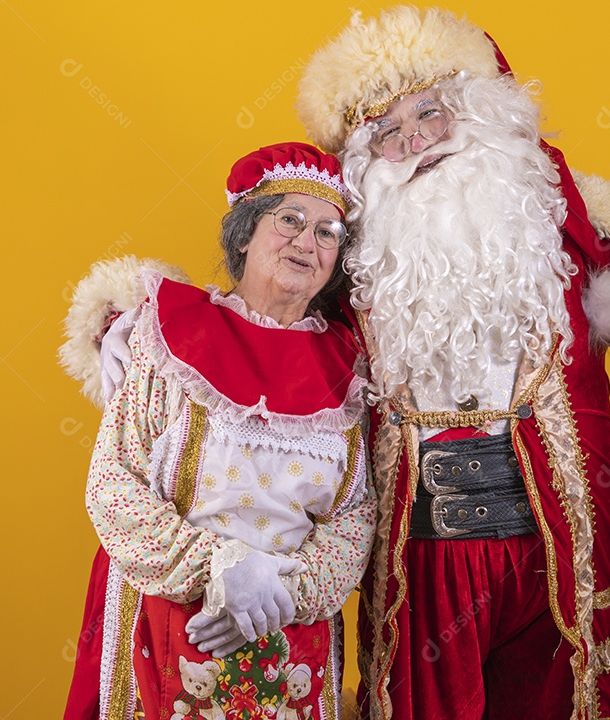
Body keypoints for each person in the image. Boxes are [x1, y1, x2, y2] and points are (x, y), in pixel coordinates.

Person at [287, 7, 610, 720]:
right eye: (388, 134)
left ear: (479, 112)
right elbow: (260, 345)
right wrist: (140, 330)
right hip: (421, 563)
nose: (415, 143)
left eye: (430, 114)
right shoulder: (350, 278)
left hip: (560, 550)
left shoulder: (569, 233)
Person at [60, 142, 377, 720]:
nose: (308, 242)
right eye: (289, 221)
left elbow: (357, 514)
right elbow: (113, 485)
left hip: (290, 643)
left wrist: (286, 591)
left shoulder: (350, 367)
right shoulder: (168, 337)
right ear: (244, 234)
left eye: (329, 231)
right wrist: (221, 567)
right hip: (168, 627)